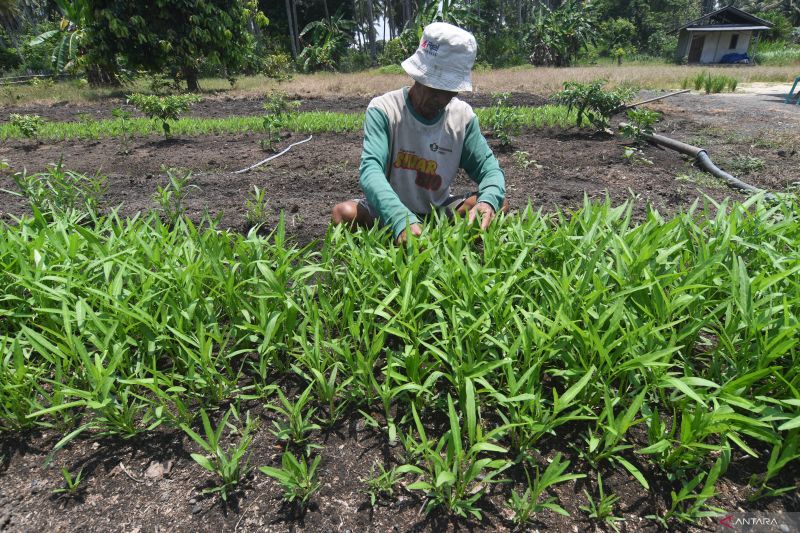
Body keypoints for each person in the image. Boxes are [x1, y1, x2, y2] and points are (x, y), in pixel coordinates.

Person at [331, 22, 507, 243]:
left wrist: (488, 201)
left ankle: (451, 242)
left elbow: (490, 171)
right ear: (418, 76)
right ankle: (395, 234)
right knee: (343, 214)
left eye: (449, 92)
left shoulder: (463, 117)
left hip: (438, 211)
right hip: (388, 211)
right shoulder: (384, 109)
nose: (442, 100)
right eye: (435, 90)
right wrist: (399, 218)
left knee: (495, 202)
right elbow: (370, 171)